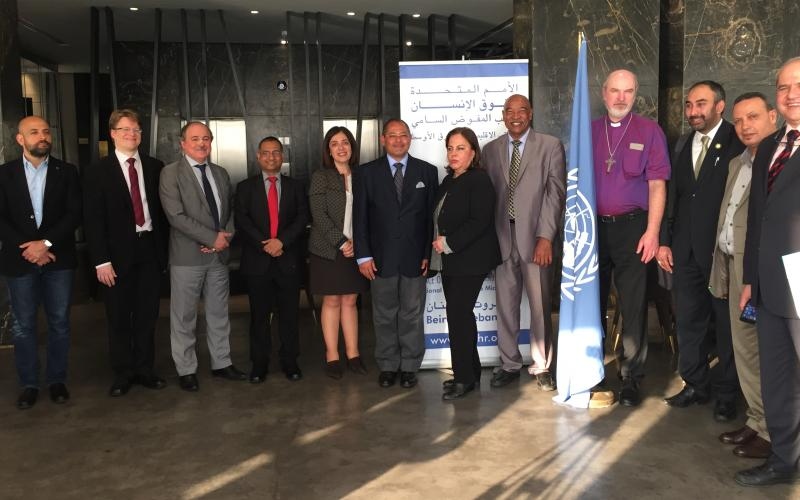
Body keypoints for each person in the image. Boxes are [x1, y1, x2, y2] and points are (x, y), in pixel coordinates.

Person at [658, 81, 744, 420]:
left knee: (725, 325)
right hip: (685, 252)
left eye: (702, 104)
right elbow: (674, 196)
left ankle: (727, 393)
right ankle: (695, 383)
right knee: (689, 321)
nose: (694, 111)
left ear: (720, 106)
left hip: (722, 253)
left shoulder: (738, 141)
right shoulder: (682, 144)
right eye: (690, 105)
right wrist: (665, 240)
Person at [736, 57, 800, 487]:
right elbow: (756, 220)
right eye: (783, 87)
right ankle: (783, 459)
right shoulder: (771, 145)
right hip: (768, 282)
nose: (791, 94)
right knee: (777, 376)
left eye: (799, 84)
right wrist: (748, 280)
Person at [591, 69, 670, 406]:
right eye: (614, 91)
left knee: (633, 304)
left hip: (633, 229)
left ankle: (631, 378)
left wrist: (652, 232)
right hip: (593, 228)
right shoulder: (589, 131)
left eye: (628, 92)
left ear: (636, 94)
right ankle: (590, 372)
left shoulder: (649, 131)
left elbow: (657, 185)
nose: (620, 98)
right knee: (590, 302)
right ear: (604, 93)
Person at [83, 109, 170, 397]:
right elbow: (93, 220)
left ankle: (145, 369)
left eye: (136, 130)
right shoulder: (97, 171)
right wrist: (101, 260)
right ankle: (123, 372)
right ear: (112, 133)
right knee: (119, 316)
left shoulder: (156, 167)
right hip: (115, 256)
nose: (131, 134)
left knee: (147, 314)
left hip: (150, 249)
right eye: (125, 129)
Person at [708, 93, 776, 459]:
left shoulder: (781, 163)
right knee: (745, 349)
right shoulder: (737, 163)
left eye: (754, 117)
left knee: (769, 352)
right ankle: (757, 422)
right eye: (740, 120)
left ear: (772, 116)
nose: (746, 126)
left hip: (766, 274)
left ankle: (773, 429)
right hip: (735, 268)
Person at [483, 94, 566, 391]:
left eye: (522, 111)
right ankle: (509, 364)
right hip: (502, 239)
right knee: (505, 305)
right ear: (503, 116)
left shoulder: (550, 146)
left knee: (540, 305)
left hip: (536, 239)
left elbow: (555, 195)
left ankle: (542, 365)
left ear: (530, 114)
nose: (515, 116)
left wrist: (545, 237)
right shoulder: (490, 150)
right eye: (509, 111)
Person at [0, 116, 81, 409]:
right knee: (23, 326)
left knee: (59, 323)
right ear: (20, 139)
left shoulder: (67, 171)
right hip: (19, 261)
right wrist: (29, 248)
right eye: (34, 132)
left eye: (46, 131)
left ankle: (57, 380)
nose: (42, 136)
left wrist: (45, 244)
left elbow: (74, 213)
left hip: (57, 260)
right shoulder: (4, 174)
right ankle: (29, 384)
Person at [159, 121, 244, 392]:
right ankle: (186, 369)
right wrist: (211, 238)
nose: (201, 143)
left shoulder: (220, 172)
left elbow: (230, 211)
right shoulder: (170, 173)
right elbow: (176, 216)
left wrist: (224, 237)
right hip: (187, 257)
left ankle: (222, 363)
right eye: (195, 138)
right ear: (182, 143)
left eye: (206, 138)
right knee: (184, 316)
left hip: (218, 256)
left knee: (219, 313)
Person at [353, 118, 438, 389]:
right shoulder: (366, 173)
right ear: (382, 139)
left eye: (403, 135)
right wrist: (363, 256)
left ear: (410, 138)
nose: (398, 140)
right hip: (380, 259)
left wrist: (428, 253)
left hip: (415, 257)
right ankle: (388, 365)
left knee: (412, 314)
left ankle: (410, 366)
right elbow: (360, 218)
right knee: (384, 314)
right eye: (392, 135)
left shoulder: (427, 171)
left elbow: (430, 219)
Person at [431, 127, 500, 400]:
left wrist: (448, 243)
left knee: (458, 317)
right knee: (461, 316)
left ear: (473, 152)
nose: (454, 153)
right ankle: (469, 372)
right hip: (452, 262)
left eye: (460, 148)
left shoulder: (479, 180)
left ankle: (463, 379)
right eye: (450, 148)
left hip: (470, 261)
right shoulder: (450, 180)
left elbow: (479, 222)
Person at [235, 137, 308, 383]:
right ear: (258, 156)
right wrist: (265, 244)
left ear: (282, 156)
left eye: (276, 152)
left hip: (288, 261)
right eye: (265, 153)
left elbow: (302, 218)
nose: (271, 157)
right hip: (258, 261)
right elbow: (242, 222)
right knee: (258, 316)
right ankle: (259, 363)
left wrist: (282, 242)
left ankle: (290, 362)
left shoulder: (296, 186)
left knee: (290, 315)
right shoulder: (245, 187)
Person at [308, 127, 369, 379]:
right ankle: (332, 355)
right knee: (332, 301)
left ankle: (353, 354)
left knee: (351, 301)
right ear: (328, 150)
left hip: (358, 249)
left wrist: (359, 242)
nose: (341, 147)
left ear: (352, 147)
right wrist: (342, 242)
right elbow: (318, 215)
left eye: (345, 142)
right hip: (328, 250)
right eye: (335, 144)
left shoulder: (363, 175)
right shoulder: (321, 176)